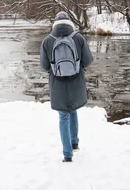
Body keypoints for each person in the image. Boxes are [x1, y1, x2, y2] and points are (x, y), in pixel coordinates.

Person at [40, 11, 93, 162]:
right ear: (70, 22)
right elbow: (88, 61)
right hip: (76, 81)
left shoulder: (47, 41)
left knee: (63, 116)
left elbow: (44, 66)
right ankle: (75, 143)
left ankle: (67, 155)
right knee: (73, 109)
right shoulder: (78, 38)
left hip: (57, 84)